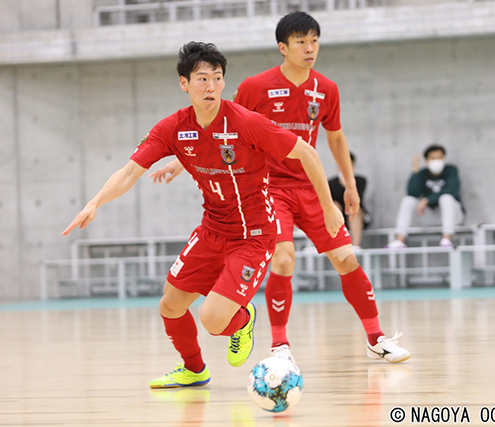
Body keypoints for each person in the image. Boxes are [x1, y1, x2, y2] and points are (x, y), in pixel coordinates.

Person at [62, 41, 345, 388]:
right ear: (184, 83)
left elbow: (308, 153)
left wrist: (328, 206)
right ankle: (194, 370)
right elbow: (130, 171)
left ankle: (242, 319)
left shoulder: (246, 122)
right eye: (202, 79)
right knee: (170, 304)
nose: (211, 86)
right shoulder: (173, 128)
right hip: (212, 230)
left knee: (212, 320)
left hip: (254, 235)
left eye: (217, 78)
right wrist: (94, 202)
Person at [149, 12, 410, 364]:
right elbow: (220, 127)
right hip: (270, 189)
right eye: (301, 42)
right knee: (284, 260)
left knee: (346, 258)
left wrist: (348, 185)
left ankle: (376, 339)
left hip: (310, 186)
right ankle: (279, 346)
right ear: (283, 48)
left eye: (314, 41)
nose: (309, 48)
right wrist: (180, 162)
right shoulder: (256, 86)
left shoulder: (327, 89)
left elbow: (335, 138)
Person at [386, 144, 465, 249]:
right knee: (408, 200)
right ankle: (400, 239)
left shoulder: (451, 170)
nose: (437, 161)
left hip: (453, 216)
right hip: (431, 216)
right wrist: (415, 172)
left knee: (446, 198)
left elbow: (452, 190)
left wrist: (427, 200)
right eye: (433, 158)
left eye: (439, 158)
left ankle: (447, 238)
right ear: (426, 160)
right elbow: (412, 193)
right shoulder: (422, 174)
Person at [328, 152, 371, 248]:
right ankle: (338, 245)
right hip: (338, 215)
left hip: (356, 214)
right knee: (335, 208)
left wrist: (348, 182)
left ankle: (355, 245)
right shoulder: (331, 183)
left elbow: (357, 198)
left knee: (352, 210)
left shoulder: (360, 181)